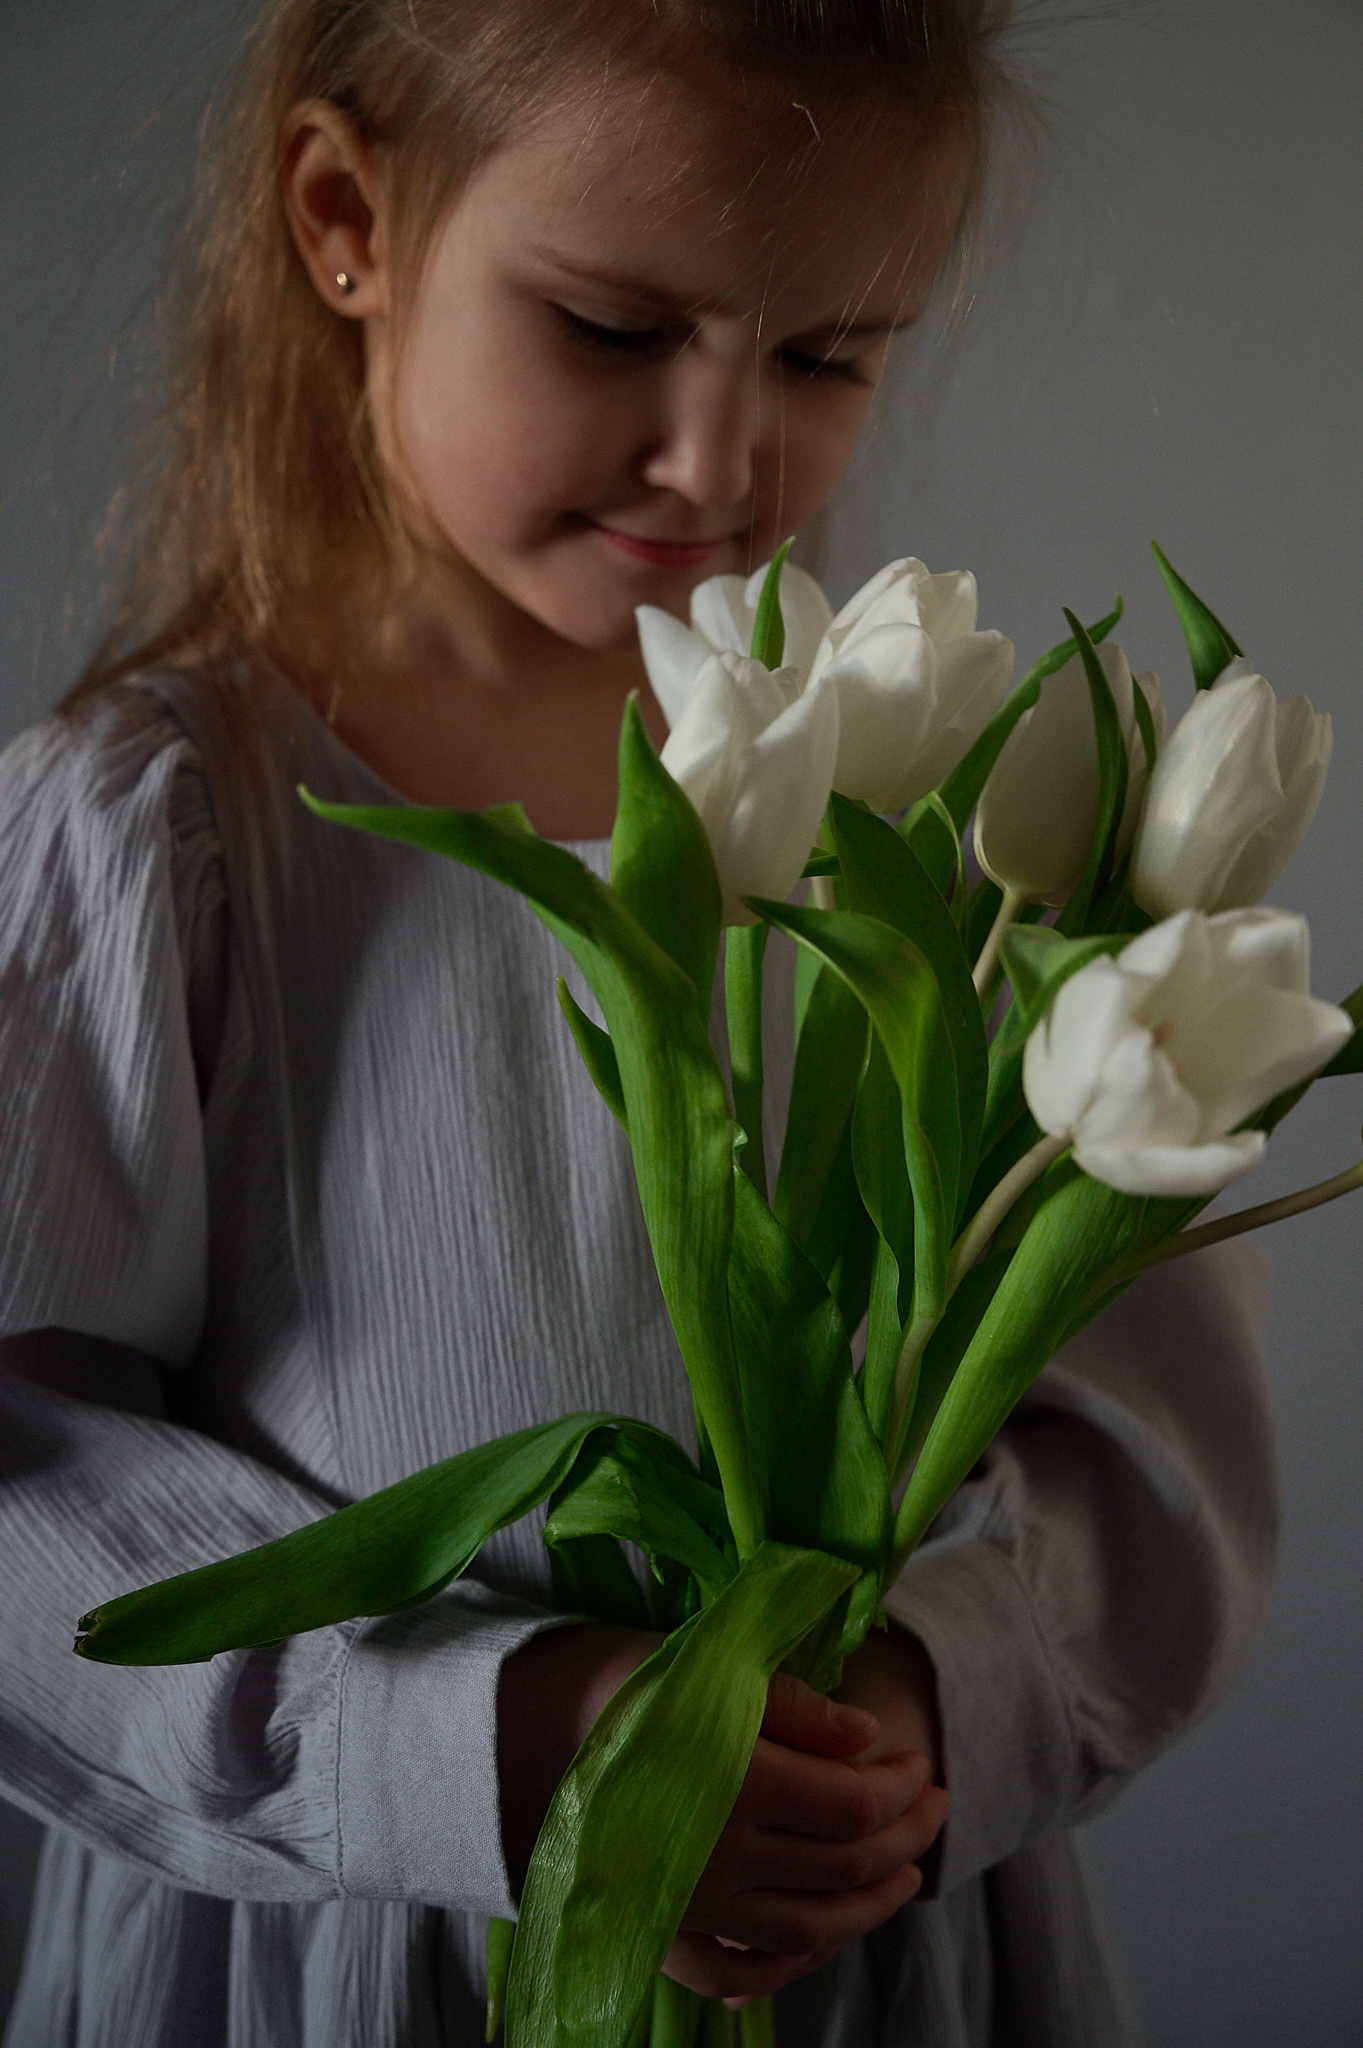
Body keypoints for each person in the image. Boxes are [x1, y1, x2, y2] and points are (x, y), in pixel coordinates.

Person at [0, 2, 1278, 2043]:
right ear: (351, 219)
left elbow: (1149, 1463)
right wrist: (494, 1743)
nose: (723, 452)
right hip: (358, 1948)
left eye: (828, 353)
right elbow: (23, 1483)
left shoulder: (946, 820)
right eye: (609, 328)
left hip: (884, 1950)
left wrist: (900, 1700)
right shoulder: (167, 843)